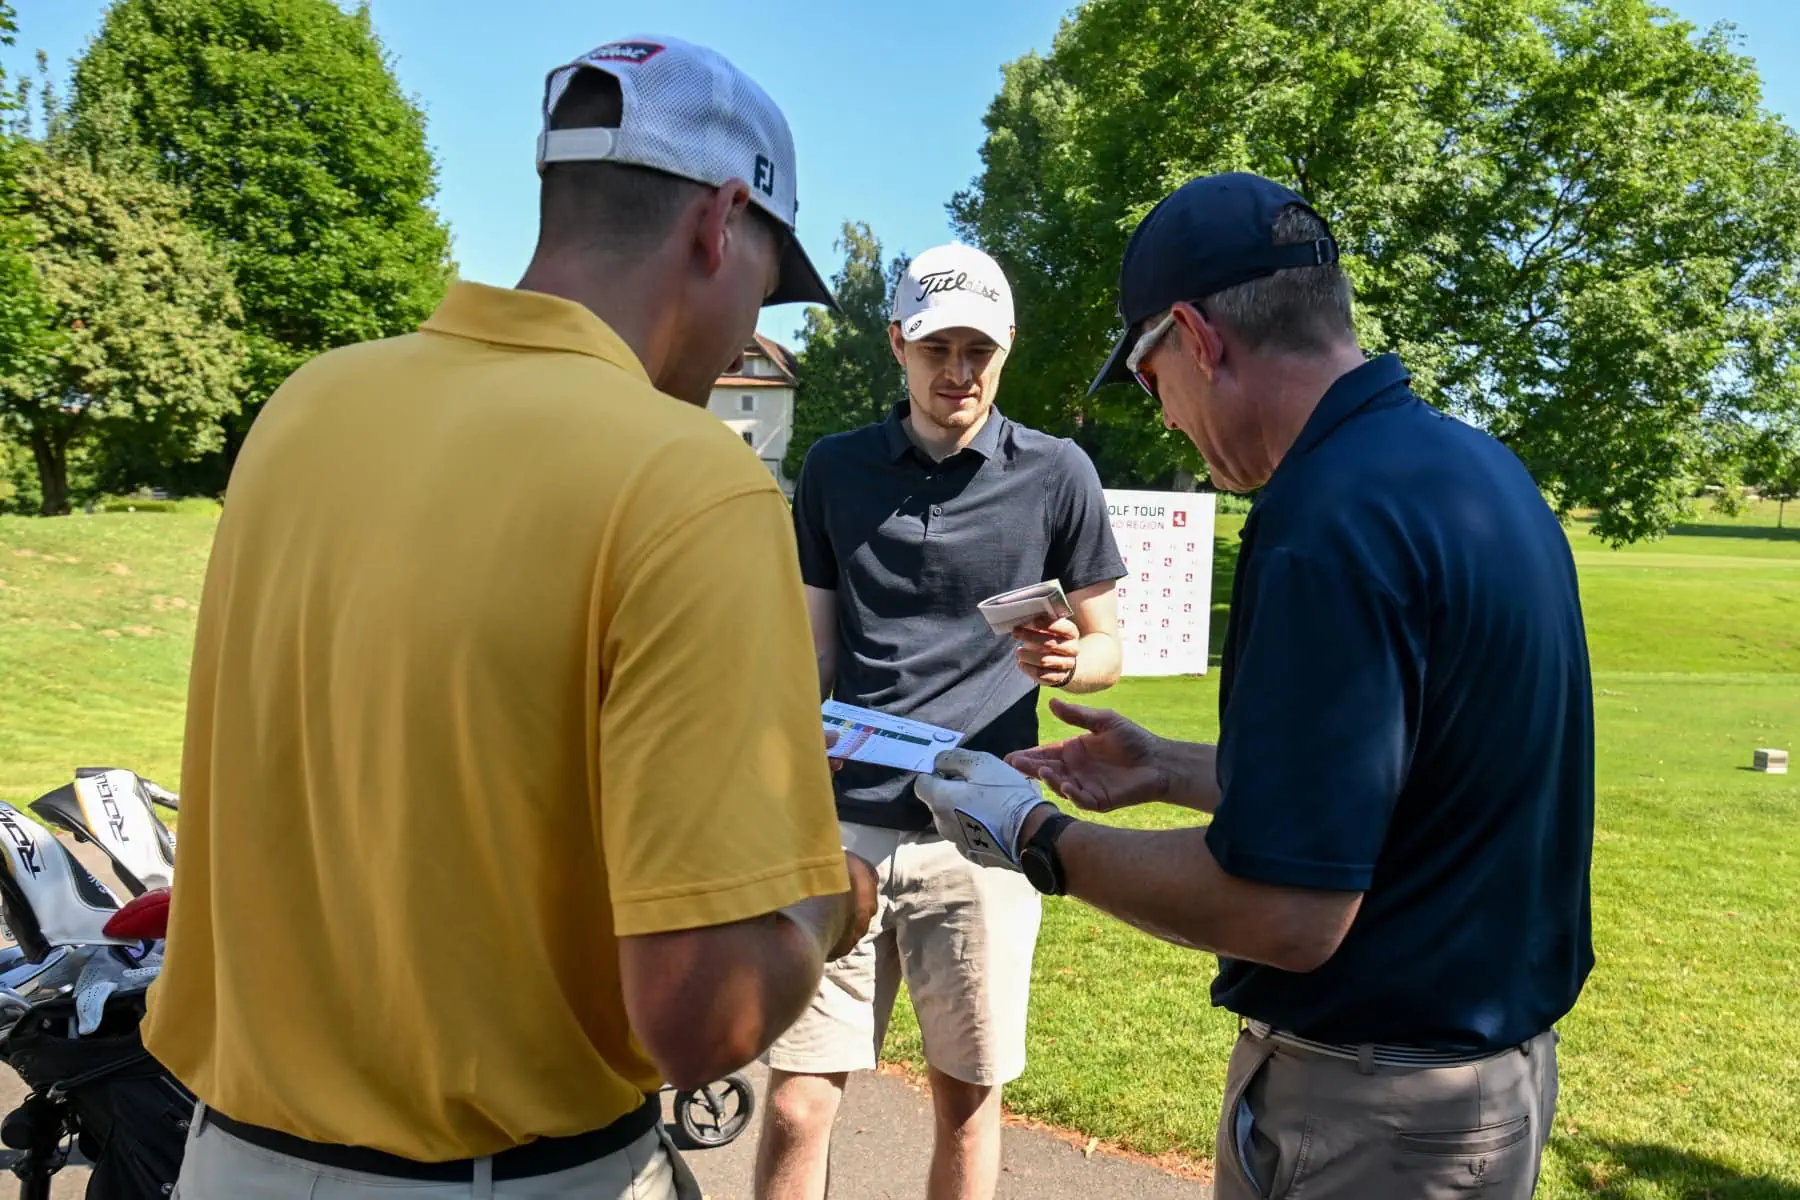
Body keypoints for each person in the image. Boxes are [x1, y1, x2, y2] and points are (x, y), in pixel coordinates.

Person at [145, 35, 877, 1199]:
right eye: (767, 281)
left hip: (226, 1161)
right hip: (518, 1176)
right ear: (720, 220)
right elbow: (701, 1011)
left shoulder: (305, 409)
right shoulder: (691, 479)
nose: (751, 325)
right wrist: (832, 896)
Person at [913, 173, 1595, 1200]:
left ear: (1197, 337)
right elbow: (1398, 785)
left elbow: (1287, 912)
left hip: (1372, 1117)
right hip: (1479, 1087)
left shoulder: (1324, 519)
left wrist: (1032, 836)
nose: (1166, 417)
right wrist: (1170, 768)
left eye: (1150, 379)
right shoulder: (1472, 471)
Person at [752, 244, 1127, 1200]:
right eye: (936, 348)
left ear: (1007, 349)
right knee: (797, 1101)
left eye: (978, 350)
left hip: (983, 827)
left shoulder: (1058, 472)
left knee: (966, 1101)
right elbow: (814, 651)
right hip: (843, 824)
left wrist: (1068, 658)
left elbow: (1106, 646)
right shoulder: (835, 469)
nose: (958, 372)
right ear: (898, 345)